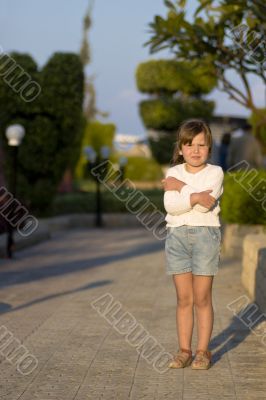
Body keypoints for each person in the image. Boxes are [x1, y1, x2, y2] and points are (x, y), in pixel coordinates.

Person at [162, 119, 224, 370]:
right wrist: (195, 194)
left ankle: (203, 351)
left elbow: (208, 202)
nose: (196, 150)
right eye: (189, 145)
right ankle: (184, 350)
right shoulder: (172, 173)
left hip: (206, 237)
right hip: (176, 237)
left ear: (209, 147)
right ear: (180, 149)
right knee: (183, 298)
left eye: (202, 145)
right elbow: (171, 206)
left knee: (202, 298)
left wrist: (184, 190)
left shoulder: (216, 172)